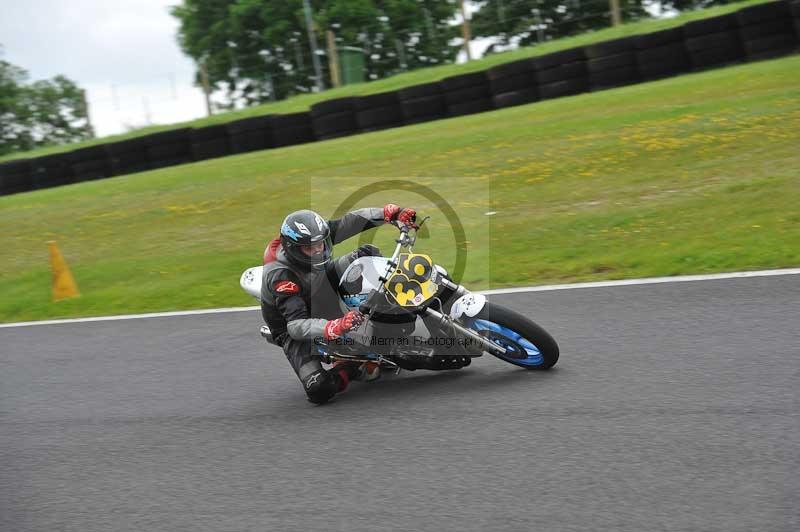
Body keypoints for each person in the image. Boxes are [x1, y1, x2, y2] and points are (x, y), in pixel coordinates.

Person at [260, 205, 419, 404]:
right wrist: (333, 326)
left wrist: (388, 214)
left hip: (317, 286)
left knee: (366, 253)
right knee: (319, 388)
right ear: (294, 249)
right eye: (311, 248)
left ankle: (393, 308)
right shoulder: (281, 277)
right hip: (293, 324)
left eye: (321, 244)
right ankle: (349, 367)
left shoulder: (313, 237)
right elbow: (296, 326)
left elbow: (349, 223)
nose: (319, 250)